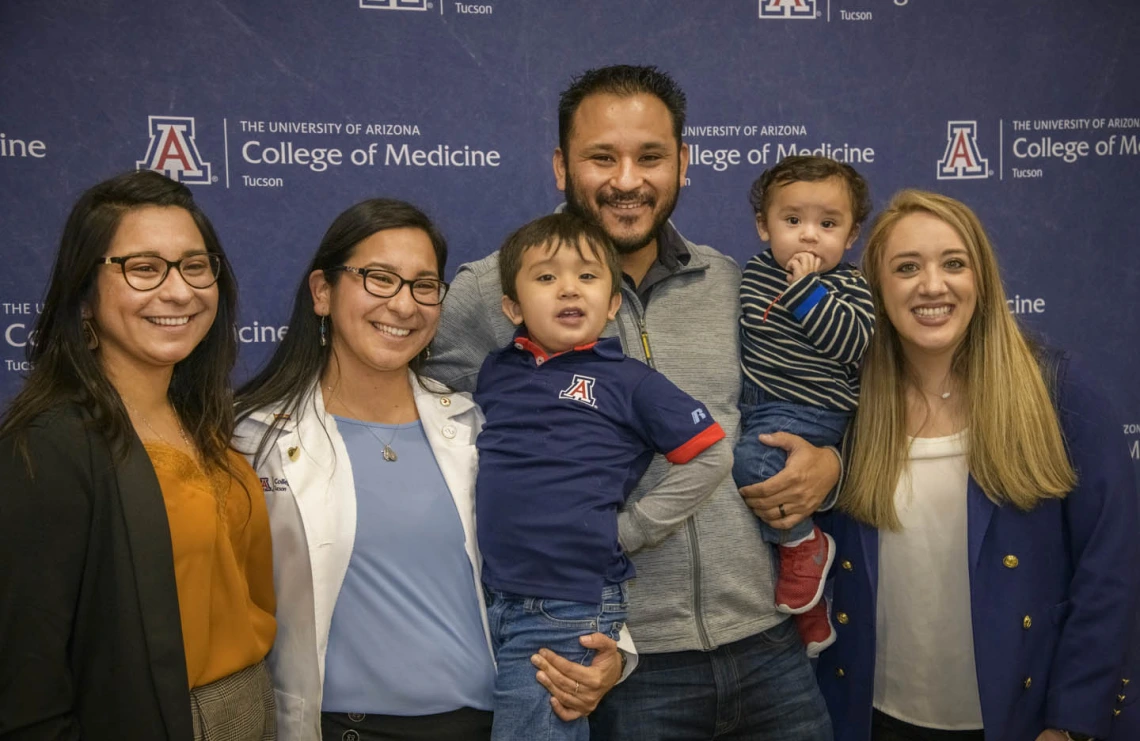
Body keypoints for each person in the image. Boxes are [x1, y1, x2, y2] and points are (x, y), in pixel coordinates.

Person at [430, 64, 839, 740]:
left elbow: (802, 396)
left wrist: (832, 462)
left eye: (650, 156)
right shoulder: (488, 292)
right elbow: (402, 413)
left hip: (770, 645)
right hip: (618, 665)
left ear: (683, 162)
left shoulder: (734, 281)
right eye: (601, 157)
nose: (626, 179)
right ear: (562, 167)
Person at [233, 199, 629, 741]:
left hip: (495, 722)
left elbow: (564, 534)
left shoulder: (476, 426)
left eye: (424, 285)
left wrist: (613, 652)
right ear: (322, 292)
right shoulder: (252, 441)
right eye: (378, 278)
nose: (403, 304)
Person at [815, 189, 1140, 741]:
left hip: (1025, 721)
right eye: (907, 267)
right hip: (877, 719)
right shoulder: (845, 401)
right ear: (877, 288)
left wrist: (1071, 722)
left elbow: (1111, 568)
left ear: (982, 279)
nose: (932, 286)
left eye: (954, 264)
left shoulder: (1058, 390)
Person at [0, 170, 276, 740]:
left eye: (195, 266)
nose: (178, 291)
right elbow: (27, 687)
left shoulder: (203, 424)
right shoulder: (50, 446)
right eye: (143, 268)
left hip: (250, 708)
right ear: (83, 295)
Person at [476, 212, 730, 740]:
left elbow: (712, 456)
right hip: (490, 600)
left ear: (613, 303)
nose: (569, 288)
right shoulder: (496, 371)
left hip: (564, 605)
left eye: (588, 277)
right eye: (546, 278)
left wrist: (631, 528)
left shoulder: (629, 381)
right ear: (512, 307)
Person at [733, 156, 874, 656]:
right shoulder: (750, 274)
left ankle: (805, 546)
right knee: (753, 507)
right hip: (759, 404)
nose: (809, 236)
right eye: (793, 222)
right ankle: (810, 611)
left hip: (813, 408)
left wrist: (807, 290)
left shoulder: (849, 287)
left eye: (828, 224)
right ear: (763, 227)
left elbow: (853, 345)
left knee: (753, 463)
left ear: (852, 235)